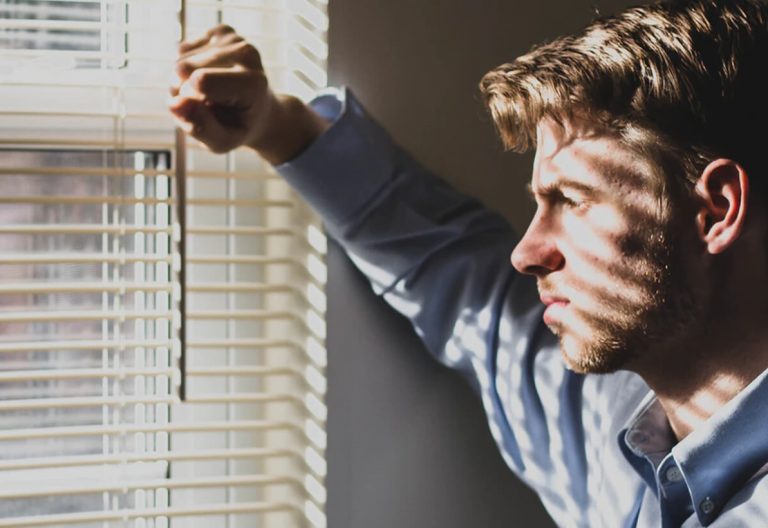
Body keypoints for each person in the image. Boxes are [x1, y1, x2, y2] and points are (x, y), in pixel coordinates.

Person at [168, 0, 768, 525]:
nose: (526, 252)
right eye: (540, 202)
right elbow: (460, 278)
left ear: (716, 210)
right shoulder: (608, 430)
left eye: (572, 200)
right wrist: (279, 127)